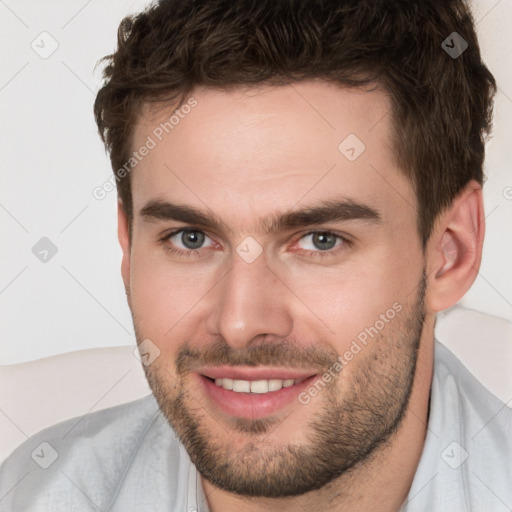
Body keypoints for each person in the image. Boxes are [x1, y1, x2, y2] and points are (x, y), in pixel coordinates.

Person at [1, 0, 510, 510]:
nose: (240, 323)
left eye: (320, 240)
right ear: (129, 246)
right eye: (191, 238)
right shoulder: (31, 494)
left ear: (451, 252)